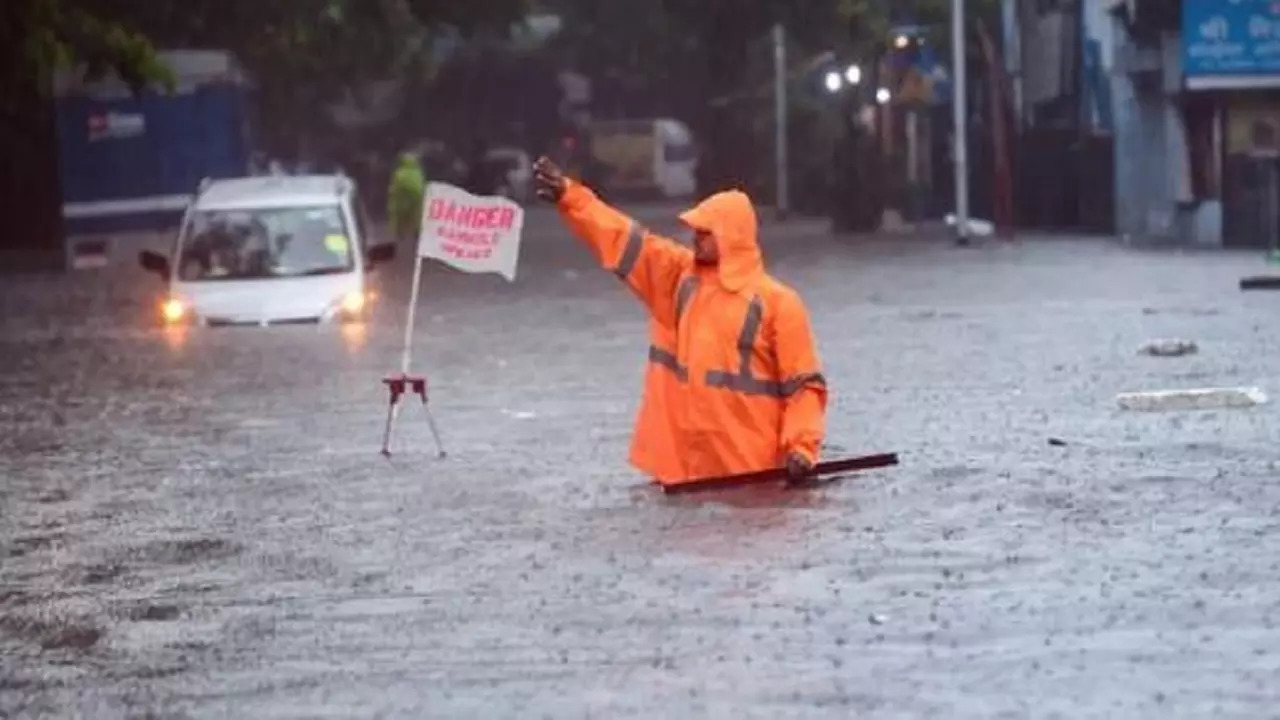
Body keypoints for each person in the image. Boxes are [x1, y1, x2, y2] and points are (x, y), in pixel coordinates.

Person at [533, 156, 828, 487]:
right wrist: (571, 198)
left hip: (752, 476)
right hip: (684, 474)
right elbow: (624, 240)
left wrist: (801, 448)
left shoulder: (779, 303)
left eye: (705, 232)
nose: (695, 237)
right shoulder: (679, 278)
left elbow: (804, 386)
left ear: (731, 237)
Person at [387, 152, 426, 243]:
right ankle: (417, 232)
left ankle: (400, 234)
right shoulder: (418, 172)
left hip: (402, 198)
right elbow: (422, 185)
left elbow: (394, 187)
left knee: (400, 215)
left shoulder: (399, 173)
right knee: (416, 216)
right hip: (417, 197)